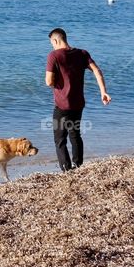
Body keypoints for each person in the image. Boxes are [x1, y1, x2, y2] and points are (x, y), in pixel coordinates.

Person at [45, 28, 111, 171]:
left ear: (55, 40)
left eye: (52, 43)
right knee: (75, 134)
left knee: (60, 140)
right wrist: (103, 92)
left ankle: (67, 170)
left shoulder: (54, 55)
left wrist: (57, 83)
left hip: (62, 105)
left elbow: (48, 82)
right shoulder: (82, 53)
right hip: (78, 104)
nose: (52, 46)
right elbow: (97, 71)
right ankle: (78, 166)